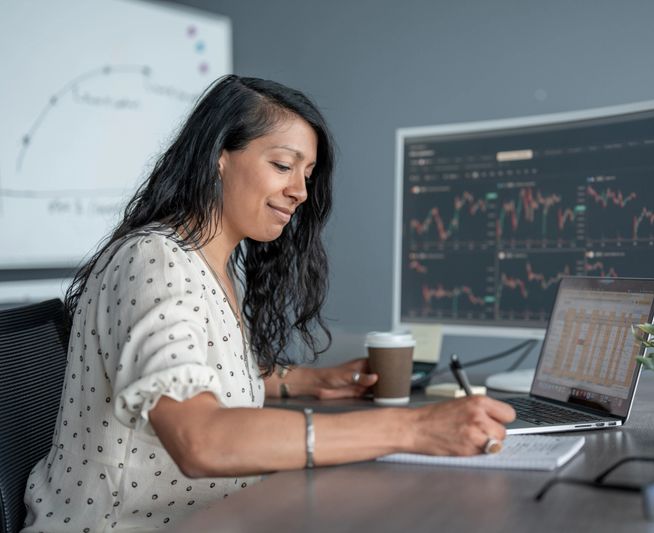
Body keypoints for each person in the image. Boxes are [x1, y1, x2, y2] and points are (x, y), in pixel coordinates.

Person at [21, 75, 515, 532]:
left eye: (307, 173)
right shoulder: (156, 260)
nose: (299, 191)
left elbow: (194, 374)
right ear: (218, 156)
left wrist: (304, 381)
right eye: (282, 165)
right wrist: (413, 429)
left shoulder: (212, 262)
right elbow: (201, 439)